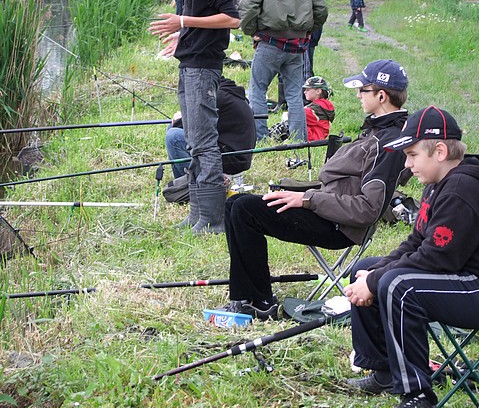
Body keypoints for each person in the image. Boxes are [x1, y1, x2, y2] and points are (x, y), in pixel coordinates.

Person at [344, 106, 479, 408]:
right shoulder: (437, 185)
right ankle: (384, 371)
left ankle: (417, 395)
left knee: (397, 286)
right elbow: (417, 242)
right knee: (366, 268)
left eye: (412, 155)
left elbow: (436, 259)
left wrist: (376, 281)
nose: (407, 164)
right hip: (459, 276)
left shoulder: (461, 190)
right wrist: (374, 273)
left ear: (440, 151)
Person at [218, 59, 411, 320]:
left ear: (381, 95)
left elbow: (367, 210)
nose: (358, 95)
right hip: (328, 211)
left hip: (339, 226)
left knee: (244, 209)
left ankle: (260, 302)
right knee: (234, 203)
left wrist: (307, 199)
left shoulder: (387, 143)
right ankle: (245, 295)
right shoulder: (377, 130)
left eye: (362, 90)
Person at [150, 0, 241, 235]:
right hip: (191, 63)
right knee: (192, 141)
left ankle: (213, 219)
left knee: (204, 143)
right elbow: (204, 18)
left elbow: (233, 17)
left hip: (203, 67)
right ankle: (197, 214)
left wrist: (183, 21)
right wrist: (183, 34)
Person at [239, 0, 328, 142]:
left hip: (270, 42)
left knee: (257, 90)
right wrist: (306, 32)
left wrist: (252, 32)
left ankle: (260, 137)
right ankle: (298, 139)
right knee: (295, 94)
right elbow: (321, 9)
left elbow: (247, 9)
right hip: (297, 46)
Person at [165, 76, 256, 179]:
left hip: (232, 160)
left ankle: (189, 185)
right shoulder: (227, 92)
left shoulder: (216, 97)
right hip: (233, 153)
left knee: (173, 137)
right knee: (171, 129)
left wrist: (178, 119)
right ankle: (187, 179)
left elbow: (189, 126)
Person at [268, 76, 335, 142]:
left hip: (313, 138)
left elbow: (296, 115)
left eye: (308, 89)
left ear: (318, 91)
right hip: (314, 136)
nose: (304, 92)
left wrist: (287, 115)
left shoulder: (317, 108)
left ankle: (271, 137)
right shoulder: (322, 106)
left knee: (290, 122)